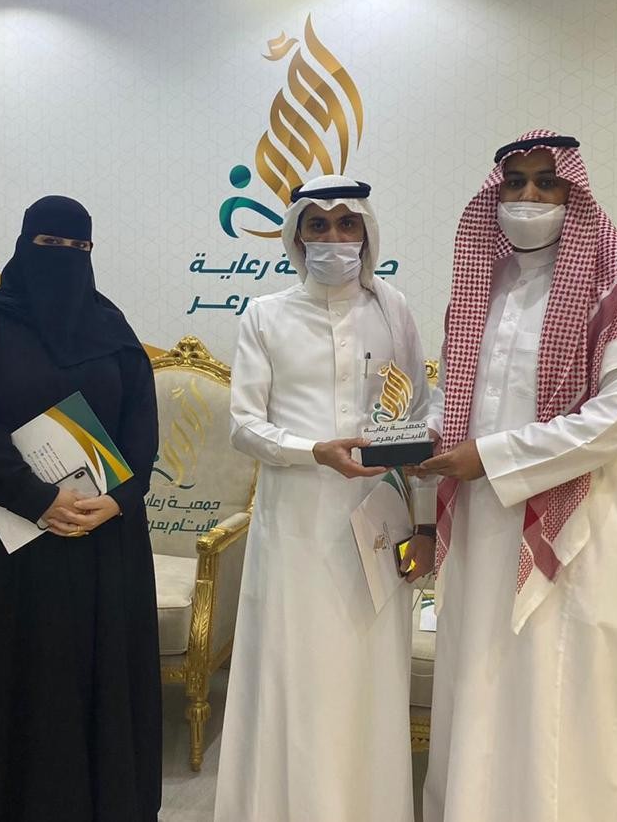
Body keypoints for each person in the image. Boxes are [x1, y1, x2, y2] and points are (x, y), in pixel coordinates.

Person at [419, 131, 617, 822]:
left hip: (579, 527)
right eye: (515, 183)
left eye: (547, 182)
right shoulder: (484, 288)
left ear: (575, 195)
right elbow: (461, 398)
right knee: (485, 675)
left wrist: (492, 457)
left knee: (563, 689)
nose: (529, 196)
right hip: (485, 523)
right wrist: (420, 438)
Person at [214, 174, 438, 822]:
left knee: (366, 677)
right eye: (319, 224)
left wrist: (424, 522)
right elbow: (244, 425)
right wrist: (312, 450)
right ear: (296, 235)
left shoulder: (392, 309)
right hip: (294, 527)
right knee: (298, 674)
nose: (334, 237)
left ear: (367, 233)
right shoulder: (266, 315)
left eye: (347, 223)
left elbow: (422, 413)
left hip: (376, 524)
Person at [0, 195, 161, 822]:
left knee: (99, 676)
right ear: (23, 245)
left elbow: (141, 426)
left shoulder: (111, 328)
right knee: (18, 676)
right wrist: (39, 500)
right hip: (16, 543)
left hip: (104, 541)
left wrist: (118, 499)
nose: (64, 258)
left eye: (78, 248)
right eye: (50, 245)